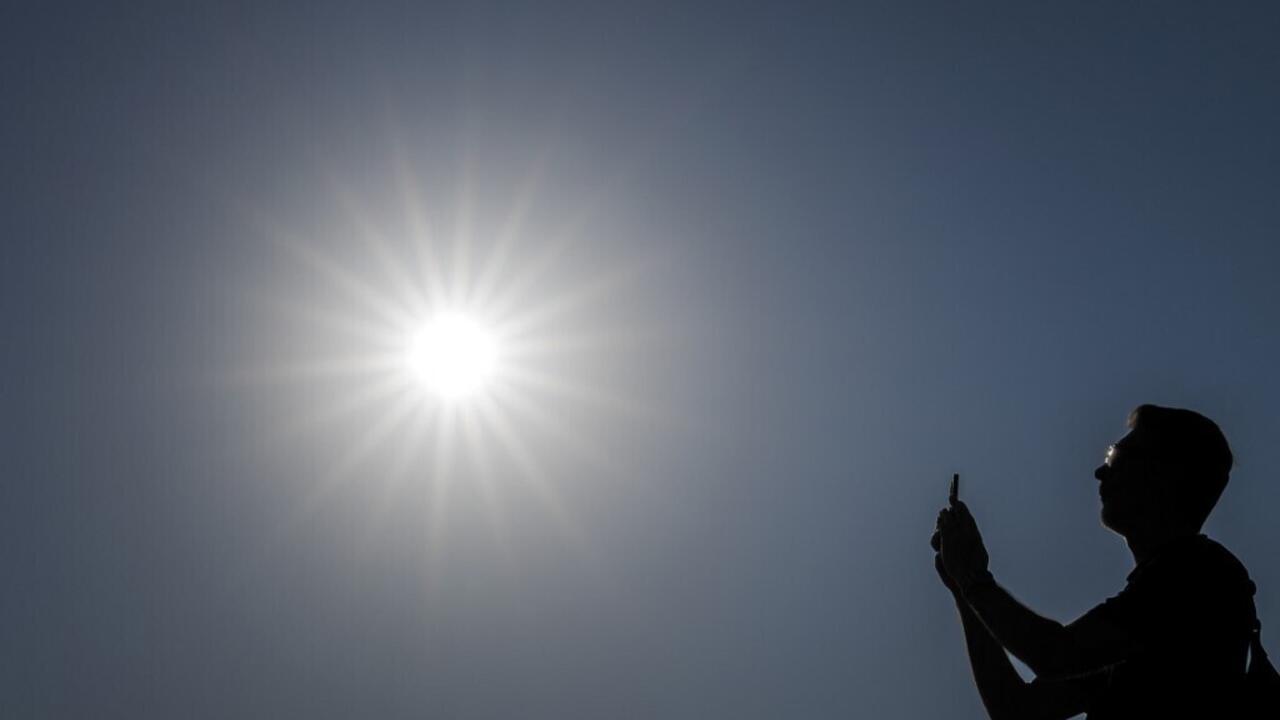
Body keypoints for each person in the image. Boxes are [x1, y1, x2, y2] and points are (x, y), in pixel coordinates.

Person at [932, 405, 1258, 719]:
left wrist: (974, 581)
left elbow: (1055, 654)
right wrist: (964, 587)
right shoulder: (1149, 615)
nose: (1101, 471)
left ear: (1162, 475)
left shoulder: (1198, 576)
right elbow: (1017, 708)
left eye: (1116, 456)